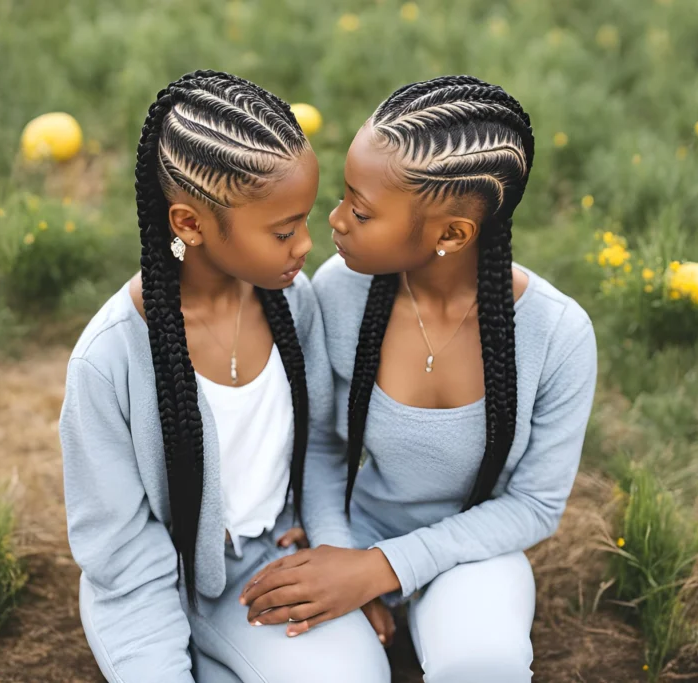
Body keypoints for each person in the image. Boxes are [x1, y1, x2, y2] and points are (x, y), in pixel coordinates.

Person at [239, 75, 598, 683]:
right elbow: (323, 444)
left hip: (474, 550)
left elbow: (534, 505)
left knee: (484, 664)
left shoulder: (557, 334)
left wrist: (381, 570)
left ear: (452, 234)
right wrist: (341, 553)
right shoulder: (339, 293)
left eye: (361, 208)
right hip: (355, 529)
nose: (335, 221)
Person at [59, 70, 388, 683]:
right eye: (284, 231)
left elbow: (320, 445)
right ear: (190, 224)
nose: (306, 246)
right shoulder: (108, 361)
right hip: (156, 580)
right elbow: (124, 555)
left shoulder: (292, 302)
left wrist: (334, 551)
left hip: (268, 563)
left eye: (304, 221)